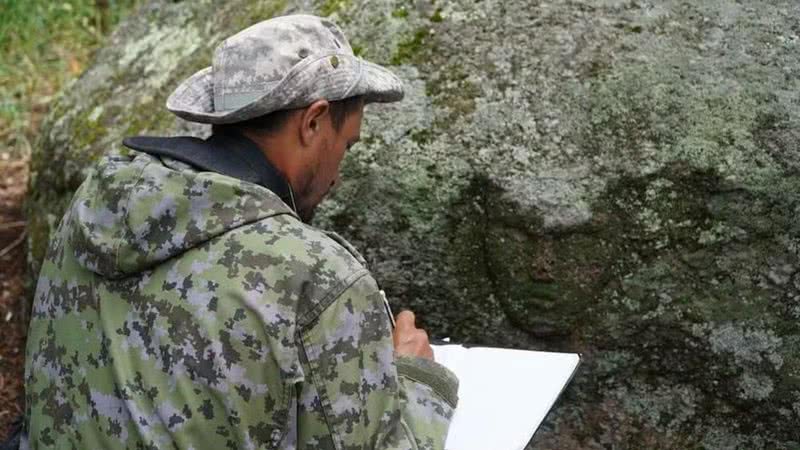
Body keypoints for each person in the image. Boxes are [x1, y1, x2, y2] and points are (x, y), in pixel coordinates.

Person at [22, 14, 458, 450]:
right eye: (347, 145)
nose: (337, 177)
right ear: (314, 121)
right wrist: (415, 380)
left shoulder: (92, 207)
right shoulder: (318, 278)